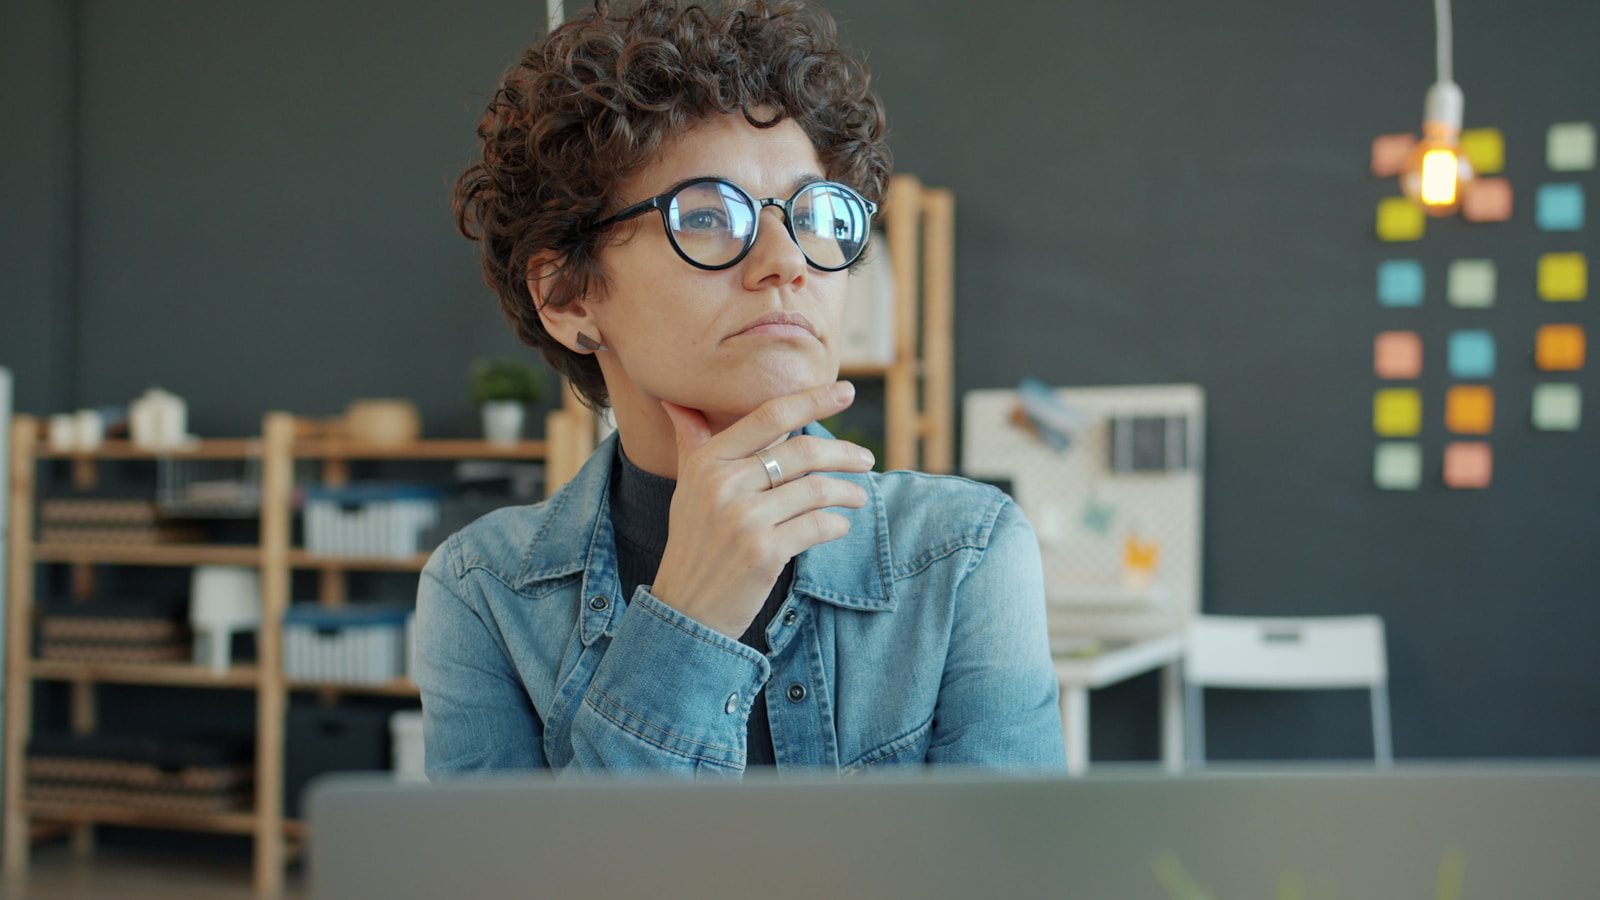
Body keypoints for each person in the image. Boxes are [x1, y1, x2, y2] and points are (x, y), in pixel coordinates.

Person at [417, 0, 1065, 777]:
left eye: (816, 212)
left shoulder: (963, 555)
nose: (788, 259)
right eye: (708, 215)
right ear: (568, 298)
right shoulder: (481, 594)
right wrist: (688, 620)